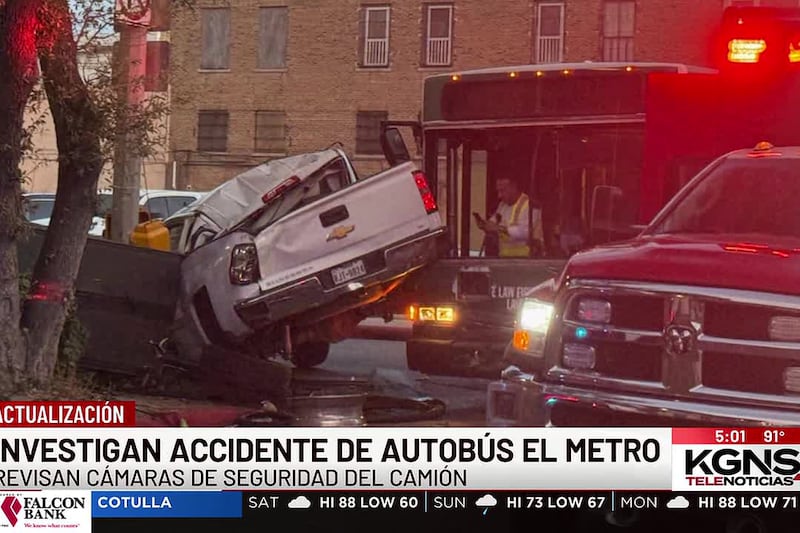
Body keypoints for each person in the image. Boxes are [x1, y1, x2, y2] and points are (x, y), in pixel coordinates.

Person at [476, 177, 543, 257]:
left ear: (513, 187)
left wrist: (498, 228)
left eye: (502, 190)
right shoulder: (502, 205)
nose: (499, 195)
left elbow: (525, 232)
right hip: (505, 258)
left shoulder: (531, 205)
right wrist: (485, 225)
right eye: (498, 191)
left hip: (526, 260)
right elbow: (494, 221)